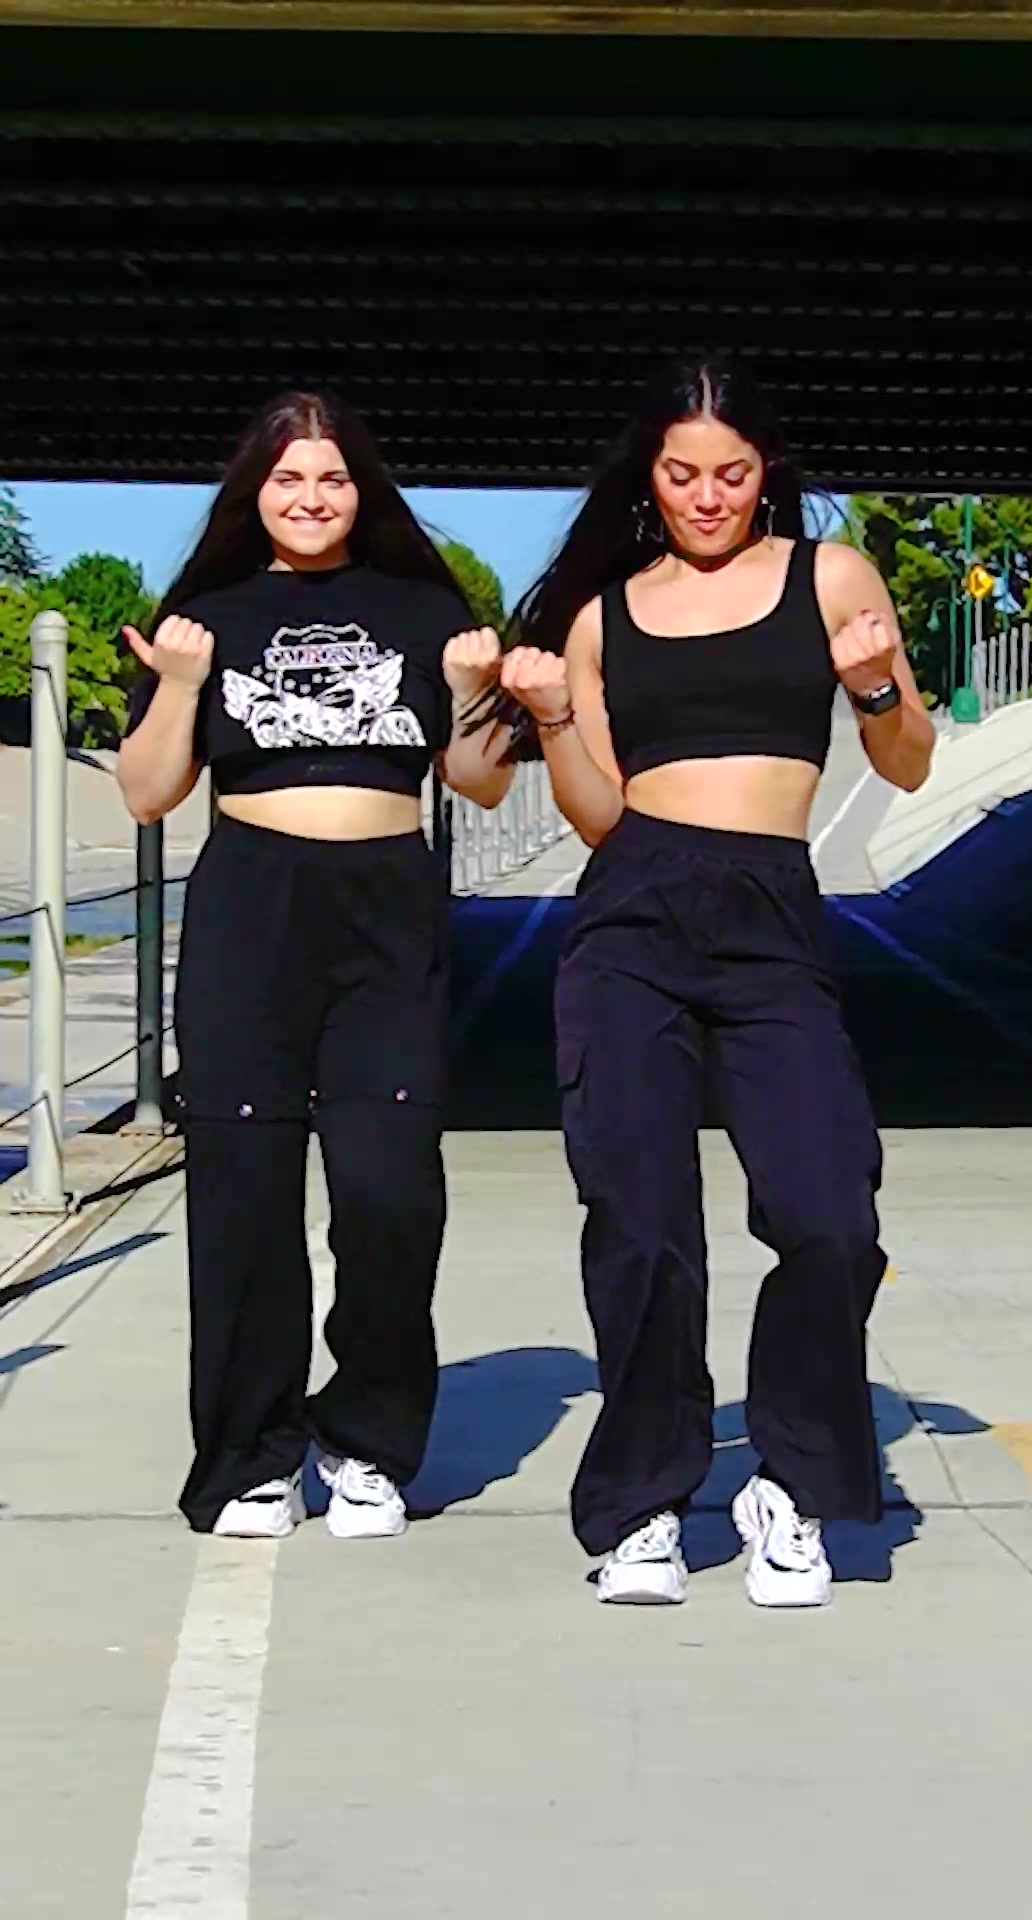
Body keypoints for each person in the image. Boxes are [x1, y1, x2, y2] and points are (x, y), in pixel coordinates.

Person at [493, 353, 935, 1608]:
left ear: (764, 472)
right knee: (641, 1229)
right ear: (650, 478)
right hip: (632, 918)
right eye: (683, 474)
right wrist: (556, 716)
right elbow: (598, 817)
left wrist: (874, 684)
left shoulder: (828, 577)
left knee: (829, 1215)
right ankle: (643, 1504)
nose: (707, 497)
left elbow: (906, 760)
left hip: (772, 918)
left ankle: (789, 1483)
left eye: (731, 474)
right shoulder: (603, 617)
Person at [117, 391, 509, 1540]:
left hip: (386, 914)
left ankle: (369, 1441)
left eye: (332, 478)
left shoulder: (423, 608)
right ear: (254, 493)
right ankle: (251, 1456)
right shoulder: (205, 616)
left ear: (363, 489)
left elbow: (482, 780)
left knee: (391, 1190)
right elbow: (147, 791)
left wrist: (475, 690)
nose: (310, 498)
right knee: (244, 1193)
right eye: (287, 479)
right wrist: (180, 685)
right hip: (252, 909)